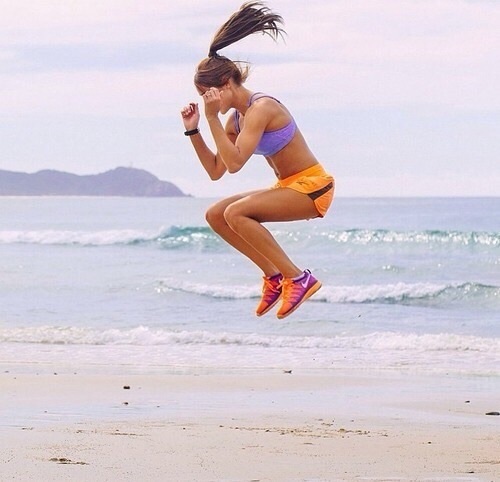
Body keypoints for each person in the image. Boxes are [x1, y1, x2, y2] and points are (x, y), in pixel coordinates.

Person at [180, 1, 334, 319]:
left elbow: (235, 163)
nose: (207, 101)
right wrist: (194, 131)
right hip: (289, 185)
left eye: (208, 94)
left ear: (226, 84)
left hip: (313, 187)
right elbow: (216, 171)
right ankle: (275, 277)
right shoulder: (235, 120)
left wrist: (210, 119)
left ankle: (298, 278)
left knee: (237, 212)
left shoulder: (261, 108)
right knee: (216, 214)